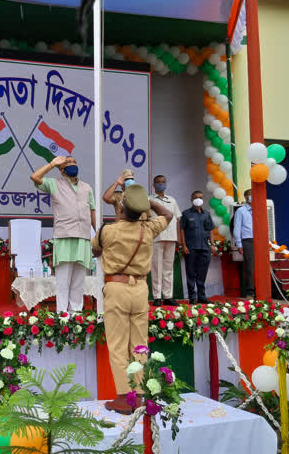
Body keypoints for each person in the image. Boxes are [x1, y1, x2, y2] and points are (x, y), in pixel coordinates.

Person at [92, 184, 172, 414]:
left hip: (117, 287)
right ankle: (139, 394)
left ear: (121, 209)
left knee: (118, 346)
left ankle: (123, 398)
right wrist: (148, 202)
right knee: (139, 345)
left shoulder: (108, 231)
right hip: (140, 289)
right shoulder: (148, 229)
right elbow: (168, 214)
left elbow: (95, 251)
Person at [31, 155, 96, 313]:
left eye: (74, 162)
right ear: (61, 169)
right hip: (64, 237)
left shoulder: (87, 187)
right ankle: (62, 316)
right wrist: (52, 163)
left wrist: (98, 233)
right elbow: (35, 177)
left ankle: (76, 316)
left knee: (78, 283)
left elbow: (92, 211)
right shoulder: (54, 184)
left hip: (83, 238)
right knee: (63, 282)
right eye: (68, 163)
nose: (72, 165)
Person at [148, 175, 182, 307]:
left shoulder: (172, 200)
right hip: (156, 237)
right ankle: (157, 296)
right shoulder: (149, 199)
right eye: (158, 182)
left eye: (163, 182)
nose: (161, 184)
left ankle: (168, 296)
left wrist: (178, 237)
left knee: (168, 268)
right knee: (156, 267)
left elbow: (177, 219)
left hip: (171, 237)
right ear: (153, 184)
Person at [179, 191, 214, 304]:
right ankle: (192, 297)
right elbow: (182, 230)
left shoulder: (206, 214)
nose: (198, 199)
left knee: (202, 273)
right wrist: (184, 245)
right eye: (196, 197)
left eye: (200, 197)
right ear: (191, 199)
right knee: (191, 272)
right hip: (191, 248)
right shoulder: (186, 214)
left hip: (204, 248)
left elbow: (211, 229)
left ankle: (202, 296)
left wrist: (212, 244)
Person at [233, 189, 255, 298]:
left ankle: (261, 290)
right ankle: (250, 292)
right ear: (246, 197)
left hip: (259, 240)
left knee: (259, 266)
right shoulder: (241, 211)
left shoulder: (259, 209)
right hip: (248, 240)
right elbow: (236, 228)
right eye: (251, 195)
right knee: (249, 267)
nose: (253, 197)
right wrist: (239, 244)